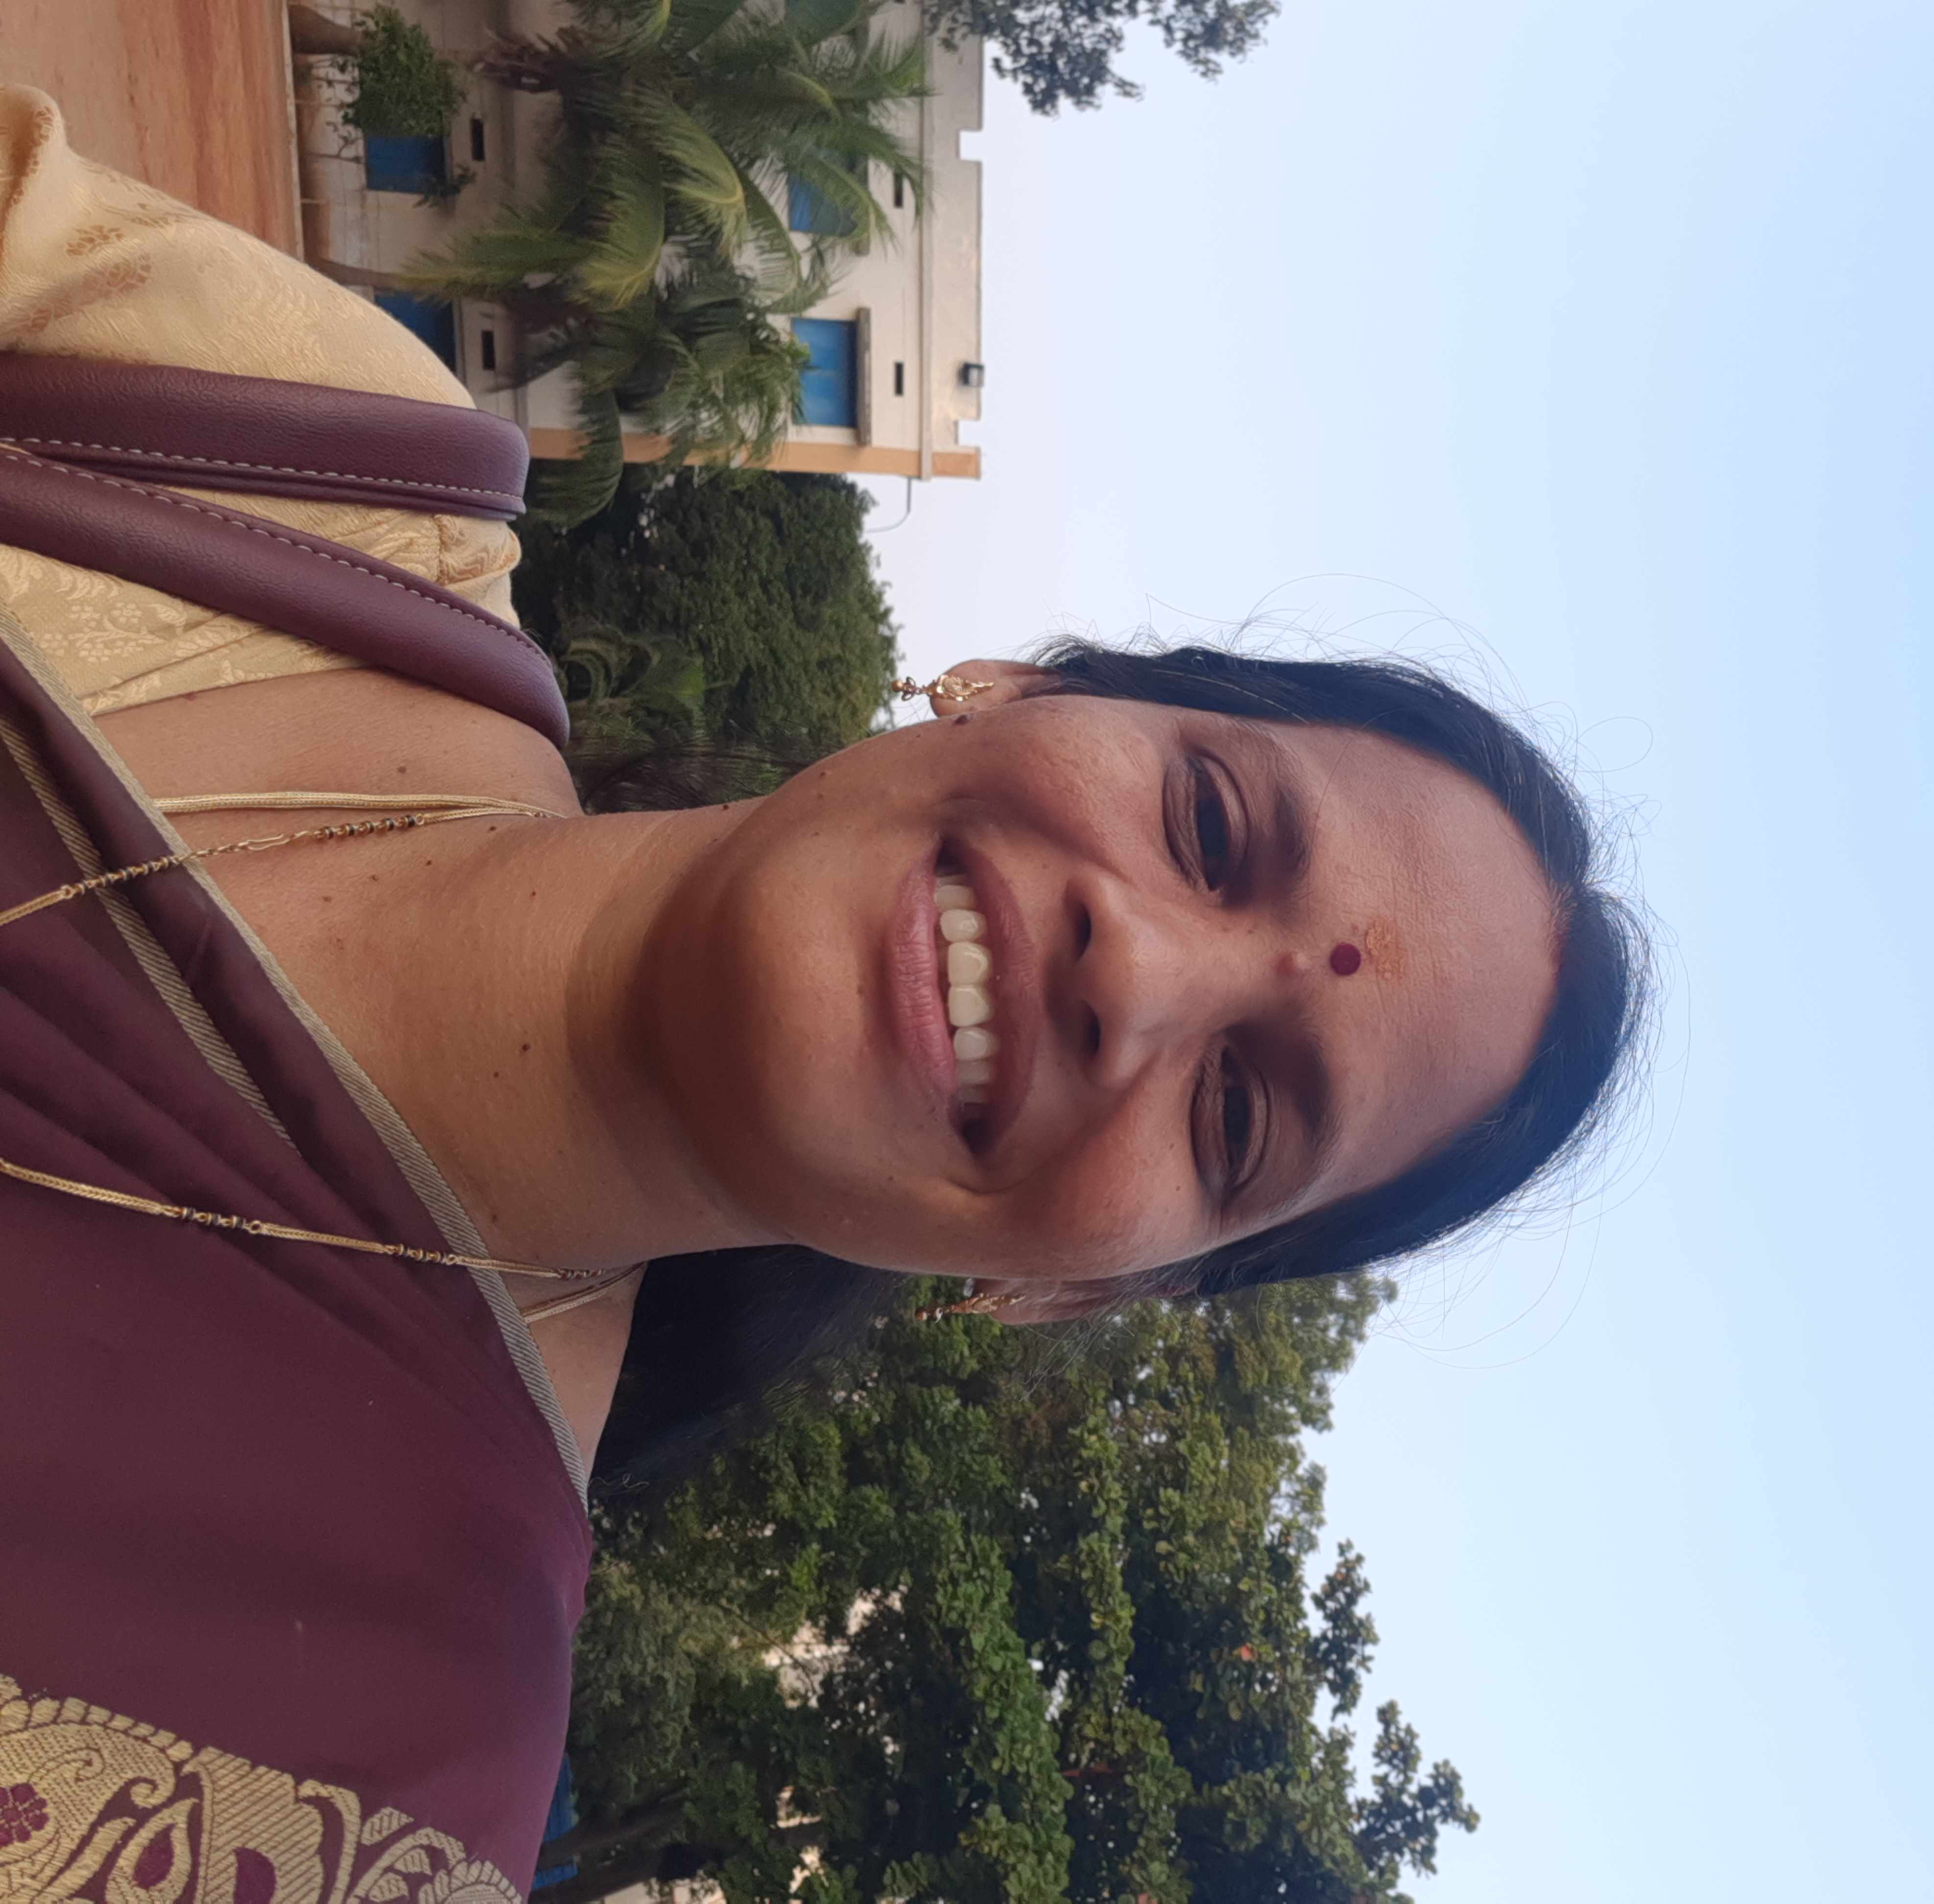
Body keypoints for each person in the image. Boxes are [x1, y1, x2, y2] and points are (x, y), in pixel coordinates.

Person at [0, 88, 1645, 1902]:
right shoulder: (284, 459)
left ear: (1076, 1288)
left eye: (1240, 1113)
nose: (1141, 975)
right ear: (1018, 685)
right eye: (1210, 822)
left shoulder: (372, 1786)